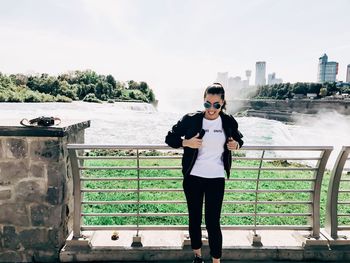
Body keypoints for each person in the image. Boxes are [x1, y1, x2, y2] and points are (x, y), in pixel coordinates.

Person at [165, 83, 244, 263]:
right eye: (207, 104)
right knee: (194, 219)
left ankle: (216, 260)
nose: (211, 109)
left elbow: (239, 139)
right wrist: (187, 143)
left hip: (216, 178)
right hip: (193, 177)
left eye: (216, 105)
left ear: (223, 103)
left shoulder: (228, 121)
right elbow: (170, 138)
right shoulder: (191, 119)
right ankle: (198, 257)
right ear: (203, 101)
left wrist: (236, 145)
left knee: (213, 223)